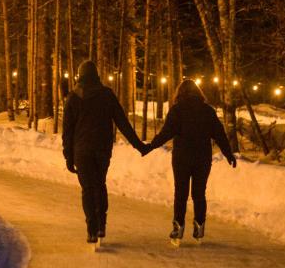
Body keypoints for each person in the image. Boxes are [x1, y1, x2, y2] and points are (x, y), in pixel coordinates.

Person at [63, 60, 149, 245]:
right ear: (97, 76)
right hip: (102, 149)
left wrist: (68, 157)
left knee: (88, 188)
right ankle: (101, 225)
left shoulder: (73, 97)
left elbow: (67, 131)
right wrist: (138, 145)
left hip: (82, 150)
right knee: (100, 184)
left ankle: (91, 230)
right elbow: (123, 123)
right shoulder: (106, 95)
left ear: (80, 75)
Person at [145, 79, 236, 245]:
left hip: (182, 158)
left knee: (181, 193)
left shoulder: (177, 110)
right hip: (202, 158)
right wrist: (228, 154)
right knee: (199, 194)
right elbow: (219, 134)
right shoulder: (207, 111)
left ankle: (178, 228)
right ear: (198, 92)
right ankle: (199, 226)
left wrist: (150, 146)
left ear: (180, 93)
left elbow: (166, 133)